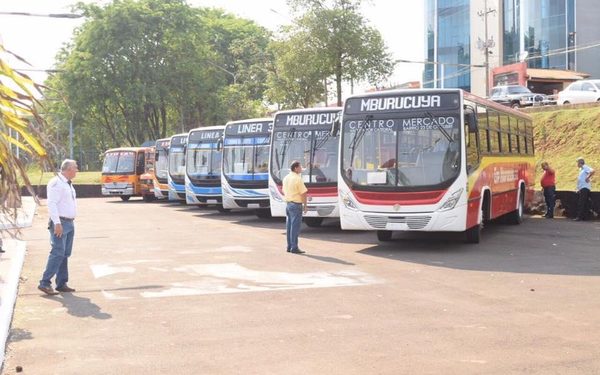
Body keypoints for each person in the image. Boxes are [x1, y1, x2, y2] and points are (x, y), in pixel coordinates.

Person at [38, 159, 79, 295]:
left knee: (65, 254)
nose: (77, 170)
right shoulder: (56, 183)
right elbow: (52, 204)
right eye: (75, 168)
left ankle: (61, 283)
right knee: (57, 252)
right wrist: (57, 223)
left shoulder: (67, 183)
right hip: (60, 223)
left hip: (69, 222)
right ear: (68, 169)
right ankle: (44, 283)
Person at [282, 160, 307, 254]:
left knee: (289, 227)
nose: (301, 169)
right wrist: (305, 205)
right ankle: (294, 247)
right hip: (296, 205)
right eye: (300, 167)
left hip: (288, 204)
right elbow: (304, 193)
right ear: (296, 168)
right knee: (295, 227)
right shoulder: (297, 178)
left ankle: (289, 246)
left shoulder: (286, 178)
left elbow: (284, 191)